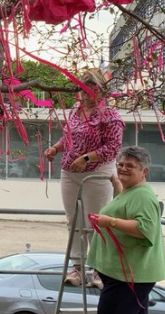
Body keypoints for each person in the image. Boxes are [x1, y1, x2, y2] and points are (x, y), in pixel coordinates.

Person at [44, 68, 124, 289]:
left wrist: (87, 158)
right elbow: (68, 137)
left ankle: (100, 269)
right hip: (70, 171)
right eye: (82, 90)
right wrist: (56, 148)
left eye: (91, 91)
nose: (85, 96)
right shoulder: (75, 111)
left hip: (97, 172)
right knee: (74, 221)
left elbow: (113, 147)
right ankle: (77, 267)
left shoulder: (110, 115)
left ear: (100, 91)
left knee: (96, 221)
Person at [88, 146, 165, 314]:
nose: (123, 169)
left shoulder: (142, 196)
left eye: (130, 166)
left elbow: (144, 229)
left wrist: (110, 221)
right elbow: (128, 205)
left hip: (127, 278)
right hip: (130, 276)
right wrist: (116, 183)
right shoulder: (132, 191)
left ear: (144, 171)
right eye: (120, 164)